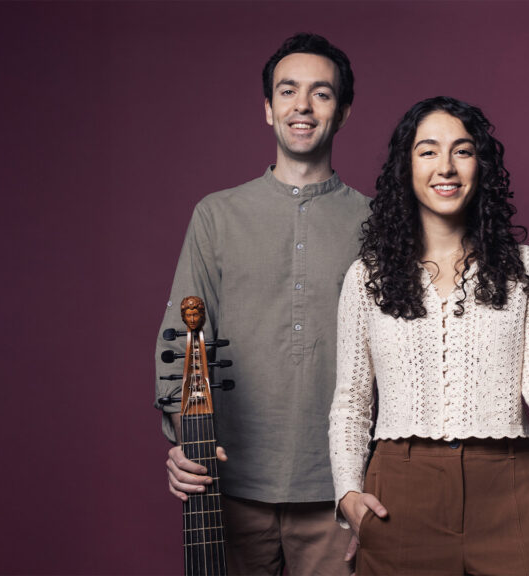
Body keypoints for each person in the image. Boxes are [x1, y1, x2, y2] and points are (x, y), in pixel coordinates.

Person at [328, 96, 529, 575]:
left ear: (480, 166)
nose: (446, 166)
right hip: (401, 490)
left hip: (506, 486)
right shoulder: (366, 277)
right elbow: (352, 401)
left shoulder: (526, 267)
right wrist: (348, 493)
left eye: (462, 151)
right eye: (427, 151)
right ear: (405, 167)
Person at [154, 33, 370, 575]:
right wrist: (189, 446)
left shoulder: (378, 224)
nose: (303, 106)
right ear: (268, 109)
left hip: (340, 493)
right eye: (288, 91)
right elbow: (179, 346)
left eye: (321, 93)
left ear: (343, 113)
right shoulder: (216, 215)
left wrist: (373, 487)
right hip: (227, 487)